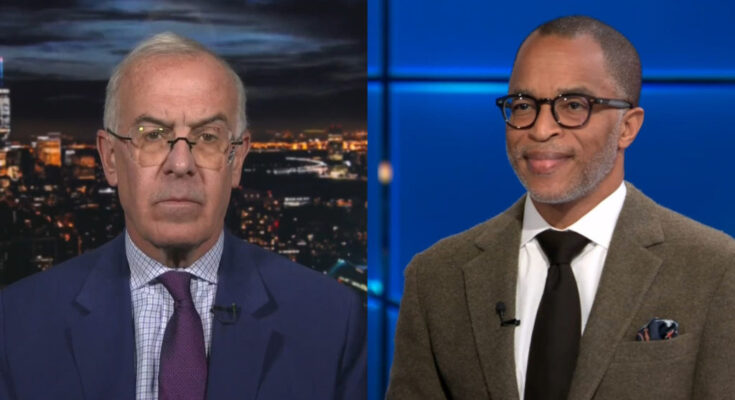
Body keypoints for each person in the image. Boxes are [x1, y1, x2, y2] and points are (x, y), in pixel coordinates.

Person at [0, 32, 365, 400]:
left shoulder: (333, 321)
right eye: (152, 135)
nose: (180, 163)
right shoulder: (15, 324)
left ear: (237, 159)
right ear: (110, 158)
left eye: (207, 137)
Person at [386, 15, 735, 400]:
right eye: (523, 105)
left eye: (572, 105)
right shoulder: (436, 277)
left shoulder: (716, 269)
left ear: (627, 127)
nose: (540, 130)